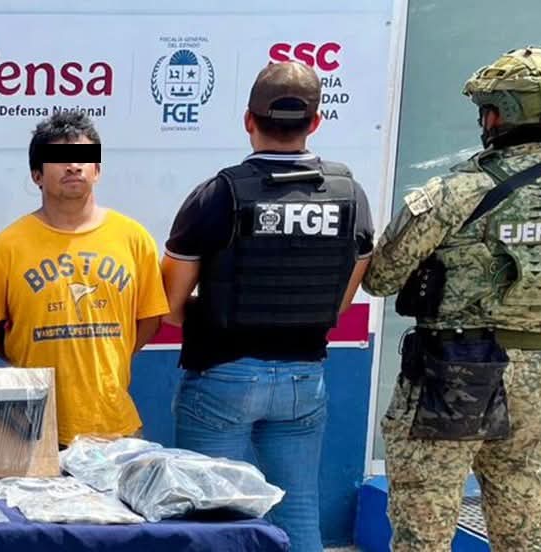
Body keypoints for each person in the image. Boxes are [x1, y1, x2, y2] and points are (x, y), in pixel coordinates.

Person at [363, 47, 541, 552]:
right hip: (539, 380)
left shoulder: (455, 193)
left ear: (498, 115)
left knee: (423, 530)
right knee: (523, 529)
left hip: (451, 378)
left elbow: (382, 277)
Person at [159, 61, 375, 552]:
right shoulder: (349, 194)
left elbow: (170, 305)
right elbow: (341, 301)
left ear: (248, 119)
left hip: (222, 376)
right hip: (304, 379)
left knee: (213, 519)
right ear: (315, 121)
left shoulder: (219, 194)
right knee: (298, 515)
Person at [0, 111, 169, 445]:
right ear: (37, 175)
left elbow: (150, 318)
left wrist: (111, 356)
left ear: (97, 170)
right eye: (59, 159)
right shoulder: (6, 247)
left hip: (115, 427)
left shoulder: (134, 239)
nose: (73, 166)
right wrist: (29, 357)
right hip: (35, 429)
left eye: (83, 158)